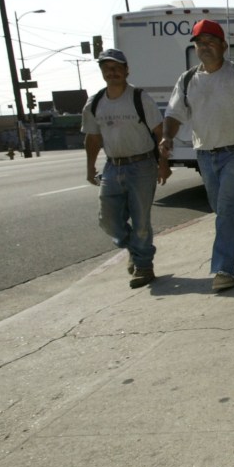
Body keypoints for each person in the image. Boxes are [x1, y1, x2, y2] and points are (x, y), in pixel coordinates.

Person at [159, 19, 234, 292]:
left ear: (224, 45)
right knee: (222, 207)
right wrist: (167, 137)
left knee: (226, 209)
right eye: (199, 43)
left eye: (210, 42)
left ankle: (224, 268)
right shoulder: (187, 80)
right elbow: (174, 115)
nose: (204, 47)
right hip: (205, 153)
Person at [82, 48, 169, 289]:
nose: (112, 72)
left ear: (126, 70)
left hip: (142, 165)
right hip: (112, 166)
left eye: (117, 67)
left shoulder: (140, 98)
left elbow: (160, 133)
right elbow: (92, 138)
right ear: (101, 72)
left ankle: (143, 266)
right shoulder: (95, 102)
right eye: (107, 68)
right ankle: (135, 249)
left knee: (141, 221)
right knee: (108, 220)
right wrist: (90, 168)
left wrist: (163, 164)